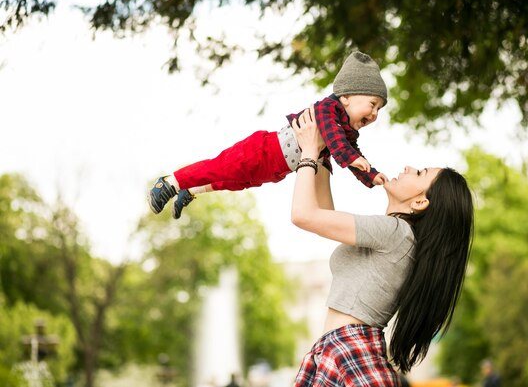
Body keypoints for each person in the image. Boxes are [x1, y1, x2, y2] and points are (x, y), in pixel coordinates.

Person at [289, 106, 474, 386]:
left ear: (420, 202)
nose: (409, 168)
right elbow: (324, 213)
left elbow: (303, 215)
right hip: (342, 351)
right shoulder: (398, 239)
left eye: (420, 173)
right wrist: (325, 152)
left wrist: (308, 152)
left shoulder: (396, 233)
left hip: (350, 352)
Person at [148, 51, 389, 219]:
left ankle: (189, 191)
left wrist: (371, 176)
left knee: (233, 182)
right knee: (220, 168)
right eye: (372, 104)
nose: (375, 113)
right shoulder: (327, 109)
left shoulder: (345, 130)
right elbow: (338, 145)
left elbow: (353, 154)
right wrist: (350, 158)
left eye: (379, 109)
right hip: (260, 151)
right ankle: (170, 183)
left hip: (274, 169)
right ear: (346, 96)